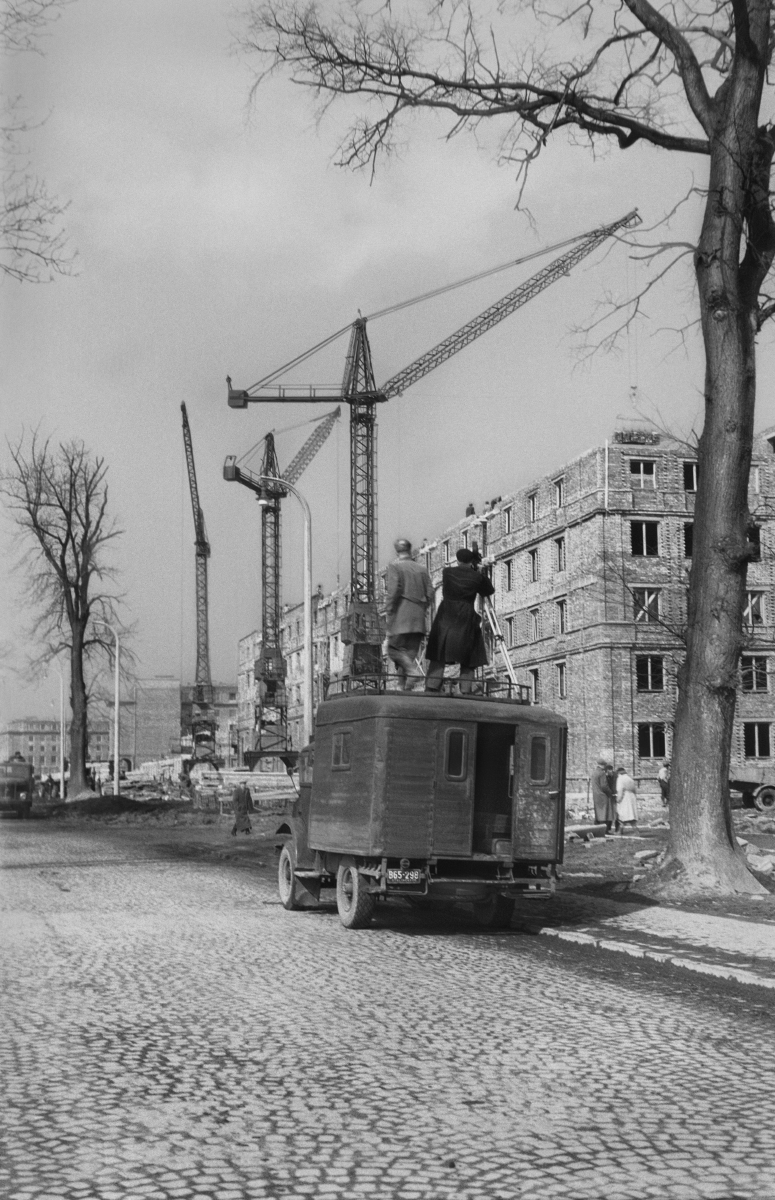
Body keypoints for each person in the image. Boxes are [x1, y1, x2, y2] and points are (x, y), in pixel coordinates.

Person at [425, 547, 495, 694]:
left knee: (438, 652)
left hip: (446, 615)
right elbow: (489, 590)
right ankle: (466, 688)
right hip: (466, 616)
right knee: (470, 655)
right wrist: (479, 572)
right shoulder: (476, 577)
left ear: (457, 560)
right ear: (471, 561)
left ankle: (432, 685)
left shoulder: (447, 573)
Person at [385, 538, 434, 691]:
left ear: (397, 551)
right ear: (410, 550)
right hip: (418, 618)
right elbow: (431, 593)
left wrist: (389, 611)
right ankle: (403, 687)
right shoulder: (422, 569)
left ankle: (412, 673)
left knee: (393, 650)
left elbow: (393, 592)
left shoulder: (395, 567)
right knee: (408, 655)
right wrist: (422, 607)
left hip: (401, 616)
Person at [591, 758, 616, 833]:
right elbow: (604, 786)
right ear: (603, 765)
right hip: (603, 796)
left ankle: (597, 830)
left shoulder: (594, 772)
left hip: (596, 796)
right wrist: (610, 793)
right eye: (605, 765)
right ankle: (605, 831)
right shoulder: (602, 773)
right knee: (605, 814)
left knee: (598, 814)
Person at [615, 766, 639, 833]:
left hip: (625, 798)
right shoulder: (630, 779)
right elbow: (634, 790)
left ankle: (636, 831)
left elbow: (620, 790)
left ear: (619, 773)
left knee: (624, 814)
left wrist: (618, 799)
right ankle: (620, 831)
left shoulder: (620, 779)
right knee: (628, 815)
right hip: (632, 797)